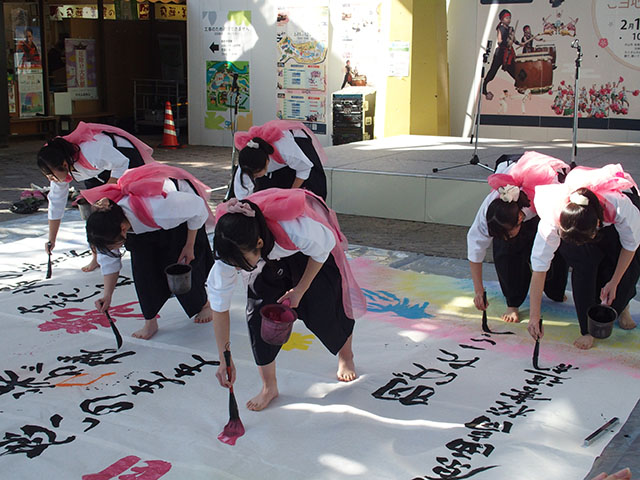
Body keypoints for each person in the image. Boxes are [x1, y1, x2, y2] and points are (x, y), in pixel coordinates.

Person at [207, 188, 367, 411]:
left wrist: (300, 290)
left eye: (239, 264)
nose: (234, 268)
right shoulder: (229, 250)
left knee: (326, 304)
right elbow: (219, 306)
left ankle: (346, 355)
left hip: (307, 256)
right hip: (265, 262)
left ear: (260, 244)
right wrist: (224, 357)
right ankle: (268, 387)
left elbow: (322, 251)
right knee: (258, 316)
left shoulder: (298, 228)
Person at [81, 163, 215, 340]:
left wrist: (189, 245)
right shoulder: (106, 225)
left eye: (116, 245)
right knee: (143, 269)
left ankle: (203, 304)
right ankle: (150, 321)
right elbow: (110, 259)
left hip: (178, 219)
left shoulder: (160, 209)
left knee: (181, 265)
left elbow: (198, 209)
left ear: (122, 230)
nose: (115, 249)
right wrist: (108, 295)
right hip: (139, 222)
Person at [528, 164, 640, 349]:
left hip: (617, 212)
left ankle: (624, 306)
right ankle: (587, 329)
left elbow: (630, 246)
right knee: (584, 267)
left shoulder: (619, 205)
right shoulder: (552, 216)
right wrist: (534, 316)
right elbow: (539, 268)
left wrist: (614, 282)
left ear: (597, 225)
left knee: (621, 277)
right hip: (581, 221)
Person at [38, 122, 155, 272]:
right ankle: (99, 255)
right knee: (96, 214)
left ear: (64, 164)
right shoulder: (59, 171)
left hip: (124, 158)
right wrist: (51, 239)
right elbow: (56, 202)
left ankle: (143, 248)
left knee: (126, 206)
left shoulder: (90, 150)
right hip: (96, 170)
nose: (51, 179)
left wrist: (108, 193)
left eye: (51, 175)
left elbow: (122, 163)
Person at [468, 151, 569, 323]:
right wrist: (479, 290)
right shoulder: (491, 207)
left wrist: (534, 316)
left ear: (520, 219)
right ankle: (513, 302)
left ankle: (556, 290)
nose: (507, 237)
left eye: (510, 232)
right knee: (506, 251)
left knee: (554, 248)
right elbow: (475, 245)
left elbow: (543, 255)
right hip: (515, 172)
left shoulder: (547, 199)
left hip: (543, 181)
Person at [229, 119, 327, 200]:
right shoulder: (247, 162)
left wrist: (291, 192)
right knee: (265, 189)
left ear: (267, 162)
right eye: (253, 175)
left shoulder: (286, 150)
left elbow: (304, 168)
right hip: (272, 158)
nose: (255, 177)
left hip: (298, 141)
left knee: (313, 187)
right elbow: (243, 195)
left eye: (257, 173)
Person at [482, 9, 519, 101]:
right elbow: (499, 41)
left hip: (508, 52)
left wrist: (518, 43)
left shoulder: (510, 29)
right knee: (493, 71)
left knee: (513, 69)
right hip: (501, 53)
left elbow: (513, 39)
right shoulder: (500, 28)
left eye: (509, 18)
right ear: (502, 19)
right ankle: (484, 86)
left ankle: (519, 84)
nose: (509, 19)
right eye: (507, 18)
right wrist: (507, 43)